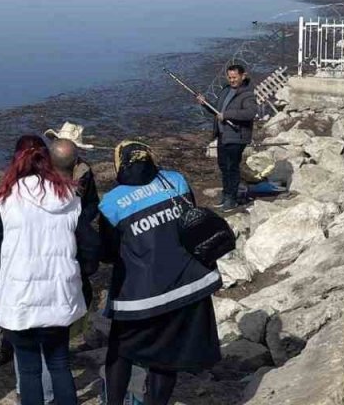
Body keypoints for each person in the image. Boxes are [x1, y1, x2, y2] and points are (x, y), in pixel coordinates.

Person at [0, 135, 99, 405]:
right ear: (49, 163)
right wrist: (80, 274)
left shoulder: (4, 201)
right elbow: (90, 250)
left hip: (20, 300)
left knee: (29, 369)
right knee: (59, 364)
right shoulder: (69, 197)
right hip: (60, 297)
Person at [98, 141, 222, 405]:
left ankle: (114, 401)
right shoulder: (175, 181)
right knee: (168, 356)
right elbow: (192, 221)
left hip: (142, 295)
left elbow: (108, 252)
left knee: (120, 351)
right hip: (190, 283)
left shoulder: (111, 203)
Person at [196, 64, 258, 211]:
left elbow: (250, 113)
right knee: (224, 166)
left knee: (232, 167)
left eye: (235, 77)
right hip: (223, 135)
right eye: (229, 77)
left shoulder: (248, 94)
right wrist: (205, 104)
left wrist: (228, 115)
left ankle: (232, 199)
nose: (232, 80)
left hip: (238, 136)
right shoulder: (225, 90)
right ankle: (226, 195)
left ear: (243, 76)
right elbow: (217, 110)